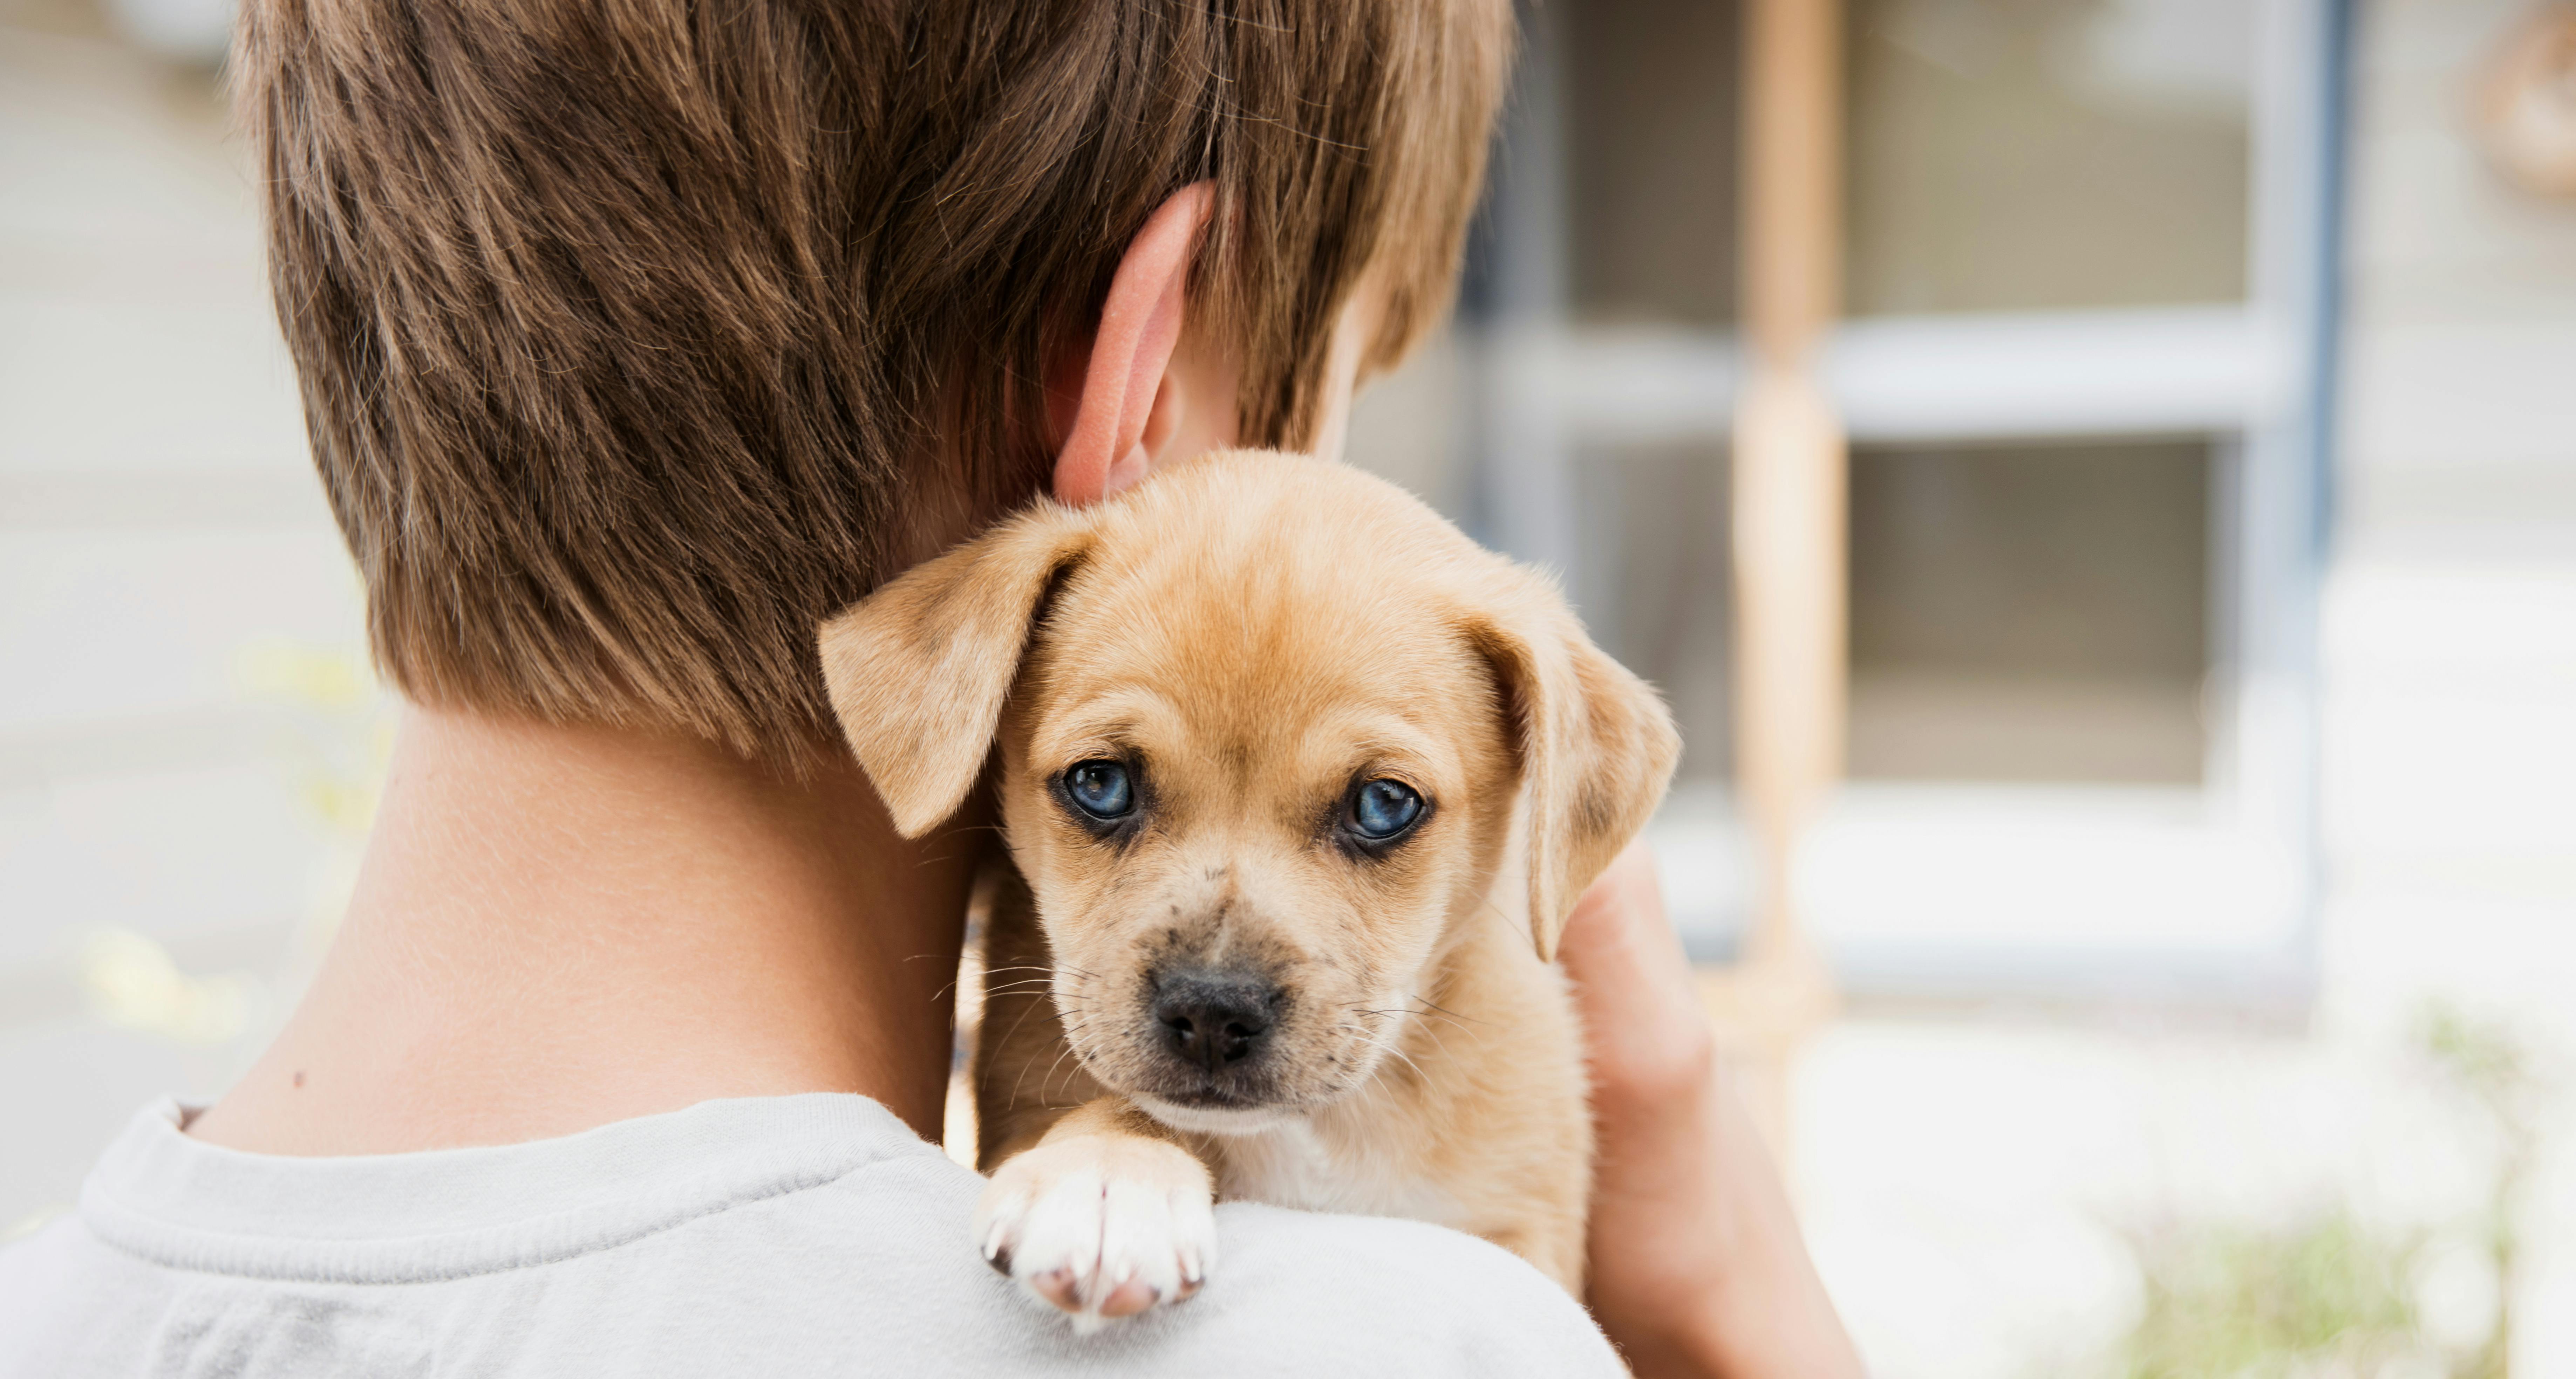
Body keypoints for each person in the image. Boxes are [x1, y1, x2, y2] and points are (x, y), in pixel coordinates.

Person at [0, 0, 1863, 1374]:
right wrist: (1737, 1318)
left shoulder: (52, 1309)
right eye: (1336, 388)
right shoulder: (1395, 1340)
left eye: (1370, 805)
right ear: (1138, 399)